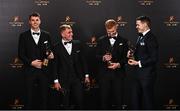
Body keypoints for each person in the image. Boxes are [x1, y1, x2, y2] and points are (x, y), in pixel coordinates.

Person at [18, 12, 54, 109]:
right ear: (29, 22)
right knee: (29, 98)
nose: (35, 22)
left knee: (44, 98)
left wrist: (44, 63)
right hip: (29, 71)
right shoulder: (23, 36)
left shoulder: (47, 35)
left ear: (40, 21)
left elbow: (49, 53)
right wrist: (31, 63)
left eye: (37, 20)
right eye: (33, 20)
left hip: (44, 71)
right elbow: (21, 54)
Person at [53, 24, 90, 109]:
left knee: (80, 102)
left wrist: (86, 75)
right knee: (65, 103)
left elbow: (83, 61)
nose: (72, 34)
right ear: (62, 34)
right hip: (63, 80)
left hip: (77, 78)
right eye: (69, 32)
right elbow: (54, 65)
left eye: (72, 32)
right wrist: (56, 81)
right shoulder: (56, 47)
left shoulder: (78, 44)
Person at [127, 16, 159, 109]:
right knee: (136, 100)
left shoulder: (151, 38)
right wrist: (131, 55)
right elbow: (141, 54)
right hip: (138, 74)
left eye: (138, 25)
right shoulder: (140, 36)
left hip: (147, 75)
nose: (136, 27)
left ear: (145, 24)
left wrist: (138, 63)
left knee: (147, 101)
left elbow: (154, 58)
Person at [96, 19, 128, 109]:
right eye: (108, 32)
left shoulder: (124, 41)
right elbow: (96, 56)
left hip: (118, 75)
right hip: (104, 75)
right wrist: (103, 57)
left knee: (119, 100)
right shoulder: (101, 40)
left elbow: (126, 58)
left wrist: (118, 64)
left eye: (113, 31)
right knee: (104, 100)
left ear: (116, 27)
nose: (111, 33)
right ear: (106, 29)